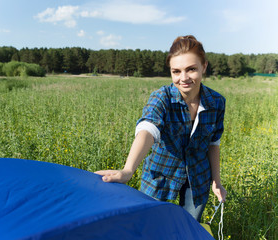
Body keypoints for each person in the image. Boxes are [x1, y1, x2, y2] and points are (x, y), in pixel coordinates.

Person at [95, 35, 227, 222]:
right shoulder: (161, 97)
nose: (183, 78)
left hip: (198, 179)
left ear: (204, 66)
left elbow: (213, 143)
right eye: (176, 71)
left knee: (187, 228)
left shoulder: (217, 102)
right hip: (160, 178)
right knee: (149, 226)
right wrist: (128, 170)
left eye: (191, 69)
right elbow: (148, 130)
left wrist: (216, 182)